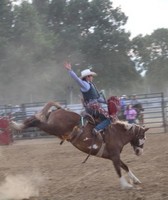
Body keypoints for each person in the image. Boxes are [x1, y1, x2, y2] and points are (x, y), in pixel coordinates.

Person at [64, 61, 111, 136]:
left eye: (91, 76)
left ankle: (102, 132)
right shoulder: (85, 85)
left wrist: (107, 102)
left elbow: (98, 98)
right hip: (93, 107)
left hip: (91, 107)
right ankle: (97, 129)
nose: (92, 77)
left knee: (104, 119)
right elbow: (77, 79)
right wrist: (70, 70)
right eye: (90, 76)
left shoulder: (91, 85)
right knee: (110, 118)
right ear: (87, 77)